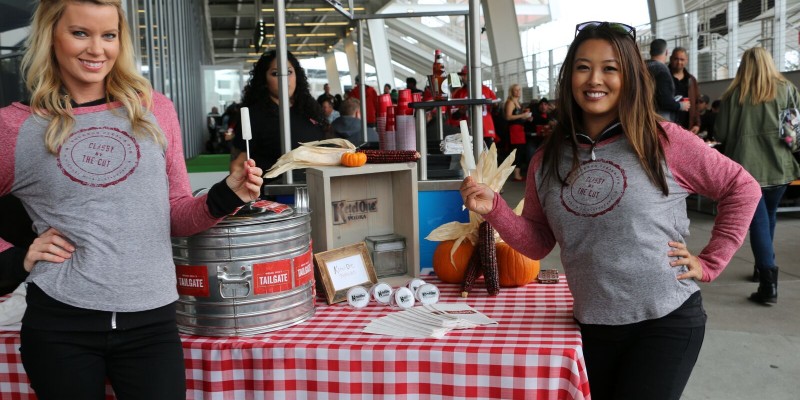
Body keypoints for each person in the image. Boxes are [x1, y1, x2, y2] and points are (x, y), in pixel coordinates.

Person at [460, 21, 760, 400]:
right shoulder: (548, 158)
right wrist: (496, 209)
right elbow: (538, 243)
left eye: (610, 68)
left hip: (665, 322)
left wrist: (711, 261)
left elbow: (742, 187)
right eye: (583, 67)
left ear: (630, 77)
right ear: (570, 77)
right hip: (590, 326)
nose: (594, 79)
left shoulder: (663, 140)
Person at [0, 1, 263, 398]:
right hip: (60, 327)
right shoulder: (16, 127)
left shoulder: (154, 109)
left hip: (151, 323)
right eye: (80, 33)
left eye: (109, 35)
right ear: (50, 36)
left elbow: (174, 214)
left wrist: (228, 196)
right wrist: (16, 257)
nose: (97, 49)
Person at [715, 46, 800, 302]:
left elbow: (721, 133)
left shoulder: (734, 95)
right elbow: (792, 135)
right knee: (768, 218)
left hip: (747, 171)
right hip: (780, 168)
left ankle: (767, 284)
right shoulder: (787, 90)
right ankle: (762, 265)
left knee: (759, 223)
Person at [230, 50, 327, 183]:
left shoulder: (310, 110)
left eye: (289, 72)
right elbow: (239, 163)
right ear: (264, 80)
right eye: (276, 73)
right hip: (272, 195)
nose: (284, 78)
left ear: (297, 75)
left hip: (315, 189)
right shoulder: (254, 115)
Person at [449, 66, 500, 147]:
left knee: (489, 157)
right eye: (462, 75)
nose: (463, 78)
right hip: (469, 131)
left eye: (465, 75)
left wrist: (496, 106)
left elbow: (496, 112)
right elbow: (453, 116)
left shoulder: (486, 90)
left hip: (486, 130)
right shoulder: (459, 93)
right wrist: (461, 110)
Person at [646, 38, 689, 121]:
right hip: (659, 121)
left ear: (650, 51)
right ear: (666, 52)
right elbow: (664, 100)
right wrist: (681, 105)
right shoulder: (661, 70)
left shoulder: (641, 67)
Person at [504, 83, 532, 181]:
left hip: (519, 130)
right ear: (512, 91)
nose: (518, 92)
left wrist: (526, 117)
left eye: (519, 90)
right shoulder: (510, 102)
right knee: (516, 152)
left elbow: (517, 117)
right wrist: (522, 116)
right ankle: (516, 175)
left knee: (520, 151)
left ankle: (517, 173)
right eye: (516, 90)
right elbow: (508, 117)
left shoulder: (517, 102)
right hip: (514, 131)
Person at [669, 47, 701, 132]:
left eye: (682, 59)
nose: (679, 62)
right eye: (676, 59)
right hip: (669, 125)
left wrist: (697, 124)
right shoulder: (664, 78)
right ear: (671, 59)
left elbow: (697, 103)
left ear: (686, 61)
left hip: (687, 127)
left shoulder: (691, 80)